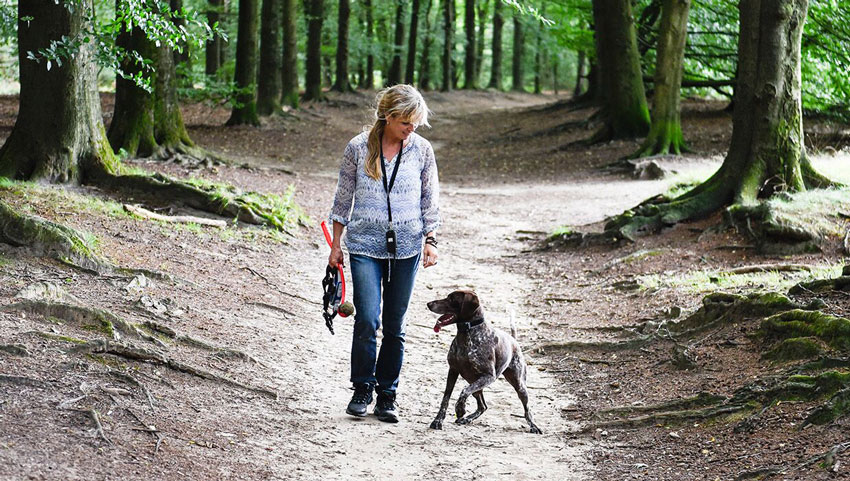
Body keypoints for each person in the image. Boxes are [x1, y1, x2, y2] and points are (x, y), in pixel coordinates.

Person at [328, 84, 440, 423]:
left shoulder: (421, 150)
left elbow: (429, 199)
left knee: (395, 324)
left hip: (407, 246)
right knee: (367, 320)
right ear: (389, 116)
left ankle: (387, 395)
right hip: (364, 244)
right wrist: (336, 244)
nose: (412, 129)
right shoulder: (358, 148)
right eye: (406, 122)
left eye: (416, 122)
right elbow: (342, 198)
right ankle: (362, 387)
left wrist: (431, 239)